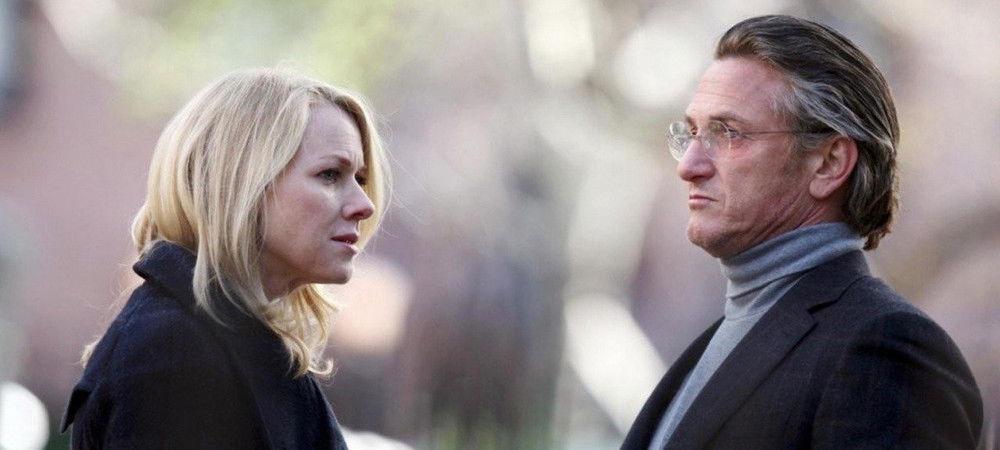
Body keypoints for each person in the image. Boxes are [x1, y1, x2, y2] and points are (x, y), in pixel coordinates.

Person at [622, 15, 983, 449]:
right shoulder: (730, 336)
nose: (688, 166)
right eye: (692, 133)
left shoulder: (884, 348)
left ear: (829, 163)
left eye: (728, 134)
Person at [61, 68, 389, 449]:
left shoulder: (238, 342)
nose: (364, 205)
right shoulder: (174, 350)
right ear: (241, 182)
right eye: (330, 174)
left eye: (360, 179)